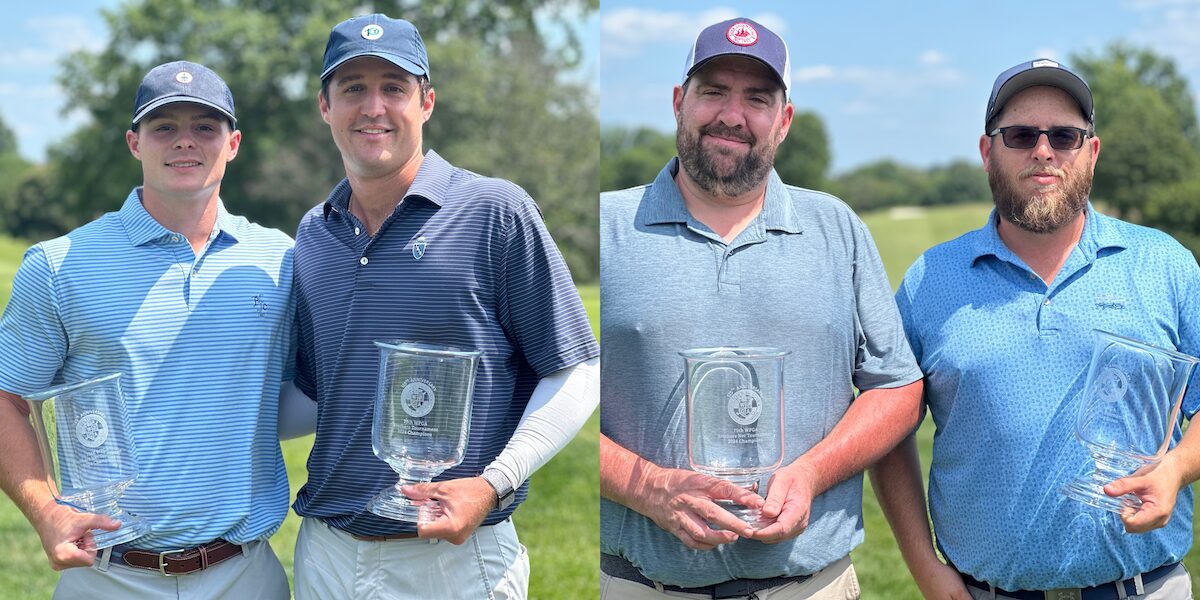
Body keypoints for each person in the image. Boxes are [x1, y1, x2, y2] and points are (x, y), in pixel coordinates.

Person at [599, 17, 924, 600]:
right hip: (640, 585)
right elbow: (556, 394)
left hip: (809, 585)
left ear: (785, 119)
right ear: (679, 102)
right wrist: (646, 486)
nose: (733, 115)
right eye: (713, 91)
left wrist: (811, 474)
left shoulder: (837, 229)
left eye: (757, 98)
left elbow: (896, 389)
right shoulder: (607, 227)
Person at [289, 14, 600, 599]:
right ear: (324, 106)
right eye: (353, 88)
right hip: (327, 553)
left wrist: (493, 484)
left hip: (453, 561)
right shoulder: (314, 233)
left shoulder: (493, 211)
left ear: (426, 102)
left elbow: (577, 368)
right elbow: (316, 392)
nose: (373, 106)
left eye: (395, 88)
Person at [873, 59, 1200, 599]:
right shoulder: (930, 281)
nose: (1043, 151)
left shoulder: (1164, 264)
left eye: (1065, 136)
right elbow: (885, 430)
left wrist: (1178, 469)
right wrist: (925, 567)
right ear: (987, 153)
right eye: (1021, 135)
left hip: (1144, 588)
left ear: (1090, 153)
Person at [0, 61, 293, 598]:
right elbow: (5, 397)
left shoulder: (281, 260)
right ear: (134, 143)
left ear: (233, 143)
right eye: (165, 127)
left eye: (205, 127)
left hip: (245, 572)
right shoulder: (60, 264)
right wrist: (45, 512)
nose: (185, 142)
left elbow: (312, 387)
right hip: (106, 573)